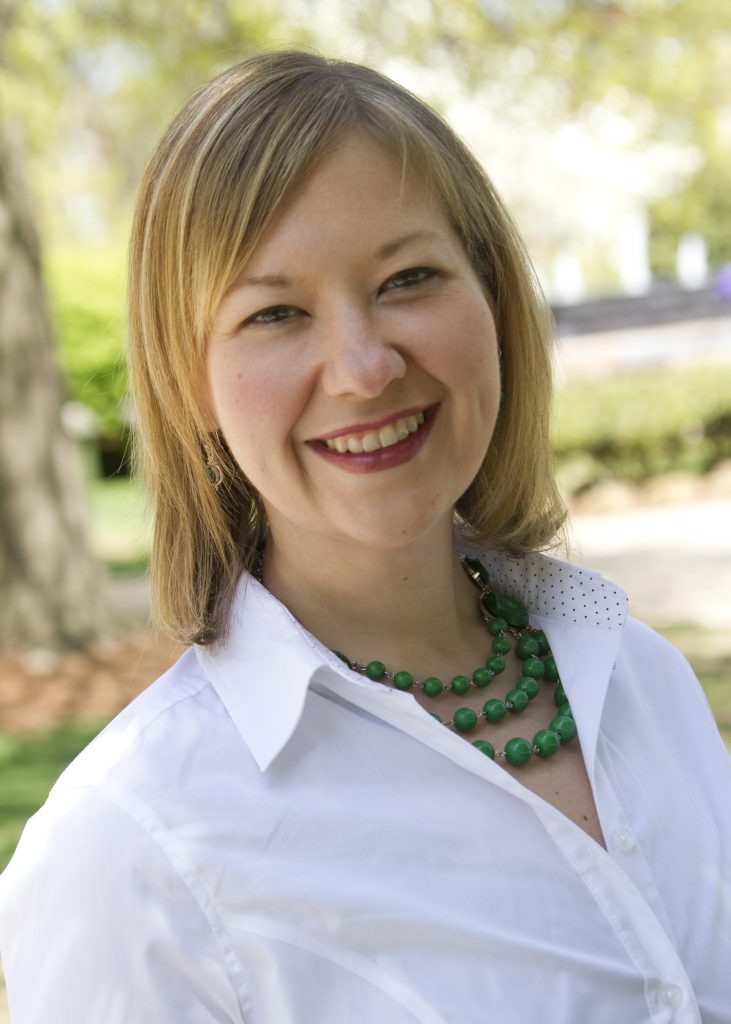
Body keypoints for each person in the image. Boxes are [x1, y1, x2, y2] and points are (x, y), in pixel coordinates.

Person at [1, 50, 729, 1024]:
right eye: (274, 313)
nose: (361, 365)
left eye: (407, 277)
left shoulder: (642, 680)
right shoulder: (135, 846)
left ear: (492, 298)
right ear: (189, 385)